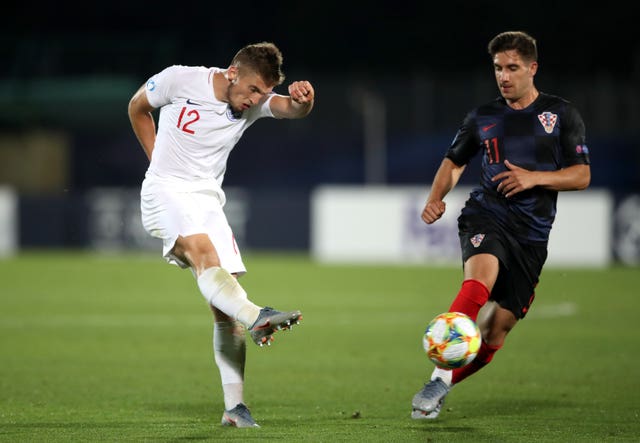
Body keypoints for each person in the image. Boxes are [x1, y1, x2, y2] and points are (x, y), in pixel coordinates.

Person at [127, 42, 315, 428]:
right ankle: (258, 315)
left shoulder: (256, 101)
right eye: (252, 90)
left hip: (209, 202)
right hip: (165, 190)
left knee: (225, 312)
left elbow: (291, 109)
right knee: (204, 254)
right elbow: (137, 107)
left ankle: (235, 407)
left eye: (263, 93)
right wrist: (156, 157)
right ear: (233, 72)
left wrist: (304, 101)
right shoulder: (179, 79)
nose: (256, 99)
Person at [411, 31, 591, 420]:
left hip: (532, 237)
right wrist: (435, 197)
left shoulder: (560, 114)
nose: (504, 76)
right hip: (487, 214)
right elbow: (454, 162)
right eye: (497, 68)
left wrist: (534, 178)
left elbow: (581, 176)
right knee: (478, 284)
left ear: (532, 68)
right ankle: (438, 378)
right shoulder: (483, 117)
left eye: (512, 68)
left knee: (494, 334)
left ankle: (445, 384)